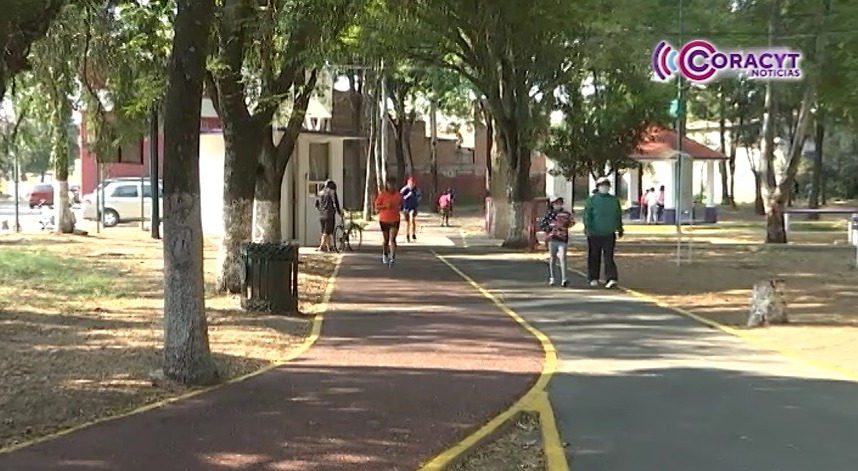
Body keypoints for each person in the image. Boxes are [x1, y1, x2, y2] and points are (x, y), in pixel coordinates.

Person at [583, 177, 624, 288]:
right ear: (598, 187)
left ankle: (611, 278)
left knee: (609, 257)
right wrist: (587, 228)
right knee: (594, 256)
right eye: (602, 185)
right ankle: (593, 277)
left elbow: (618, 215)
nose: (605, 187)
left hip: (609, 233)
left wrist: (620, 228)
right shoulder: (592, 200)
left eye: (607, 185)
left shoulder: (614, 200)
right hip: (594, 233)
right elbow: (587, 215)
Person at [539, 196, 574, 287]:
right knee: (552, 258)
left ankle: (564, 278)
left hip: (562, 239)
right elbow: (543, 225)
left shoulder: (566, 214)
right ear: (552, 204)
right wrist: (551, 227)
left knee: (563, 257)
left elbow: (571, 223)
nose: (558, 205)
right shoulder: (549, 214)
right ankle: (552, 277)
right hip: (552, 238)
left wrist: (566, 224)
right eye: (556, 203)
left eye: (560, 203)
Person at [375, 176, 403, 265]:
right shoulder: (382, 194)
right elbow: (376, 206)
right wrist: (385, 206)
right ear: (387, 184)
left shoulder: (398, 195)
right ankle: (385, 254)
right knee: (386, 240)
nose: (391, 186)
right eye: (389, 184)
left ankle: (392, 257)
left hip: (395, 219)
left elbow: (402, 204)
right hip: (384, 220)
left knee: (393, 238)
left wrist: (401, 207)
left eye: (393, 184)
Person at [314, 180, 343, 252]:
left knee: (326, 232)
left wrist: (321, 210)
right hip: (329, 215)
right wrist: (339, 212)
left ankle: (329, 246)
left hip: (321, 215)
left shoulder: (320, 193)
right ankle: (322, 246)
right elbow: (336, 203)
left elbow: (316, 204)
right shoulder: (332, 192)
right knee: (326, 232)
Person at [400, 177, 422, 242]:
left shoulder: (417, 189)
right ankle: (407, 235)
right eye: (410, 184)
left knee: (412, 219)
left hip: (413, 207)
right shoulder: (404, 189)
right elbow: (400, 197)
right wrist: (407, 196)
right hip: (406, 207)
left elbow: (420, 196)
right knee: (407, 222)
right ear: (408, 184)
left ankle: (413, 233)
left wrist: (417, 200)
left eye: (413, 184)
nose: (411, 186)